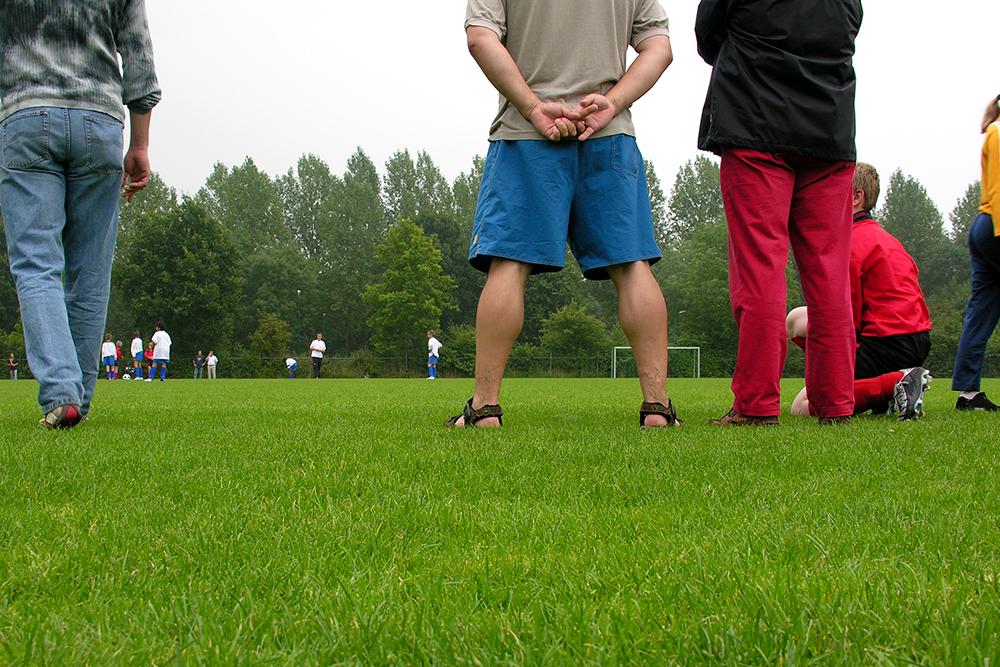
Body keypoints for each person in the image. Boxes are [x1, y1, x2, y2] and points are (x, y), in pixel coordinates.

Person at [451, 0, 680, 428]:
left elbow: (481, 38)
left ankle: (484, 409)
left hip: (525, 134)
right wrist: (612, 102)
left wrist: (534, 107)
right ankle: (658, 409)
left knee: (509, 265)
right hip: (608, 134)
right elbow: (659, 48)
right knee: (632, 266)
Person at [696, 0, 862, 425]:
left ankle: (755, 405)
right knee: (830, 274)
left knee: (759, 269)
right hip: (829, 130)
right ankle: (837, 404)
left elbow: (707, 36)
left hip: (754, 126)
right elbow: (848, 31)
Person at [0, 0, 160, 428]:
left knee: (37, 264)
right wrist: (140, 144)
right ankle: (77, 402)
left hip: (25, 114)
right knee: (90, 269)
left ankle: (61, 395)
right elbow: (138, 54)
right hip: (100, 119)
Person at [786, 163, 932, 420]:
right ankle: (884, 393)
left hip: (884, 343)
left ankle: (895, 383)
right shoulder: (887, 239)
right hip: (914, 341)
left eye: (833, 191)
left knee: (803, 405)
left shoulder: (850, 243)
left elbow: (845, 319)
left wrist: (834, 370)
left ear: (856, 197)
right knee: (797, 317)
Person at [952, 94, 1000, 412]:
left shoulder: (994, 130)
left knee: (981, 311)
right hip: (996, 223)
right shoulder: (999, 133)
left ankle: (968, 395)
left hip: (985, 225)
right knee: (981, 309)